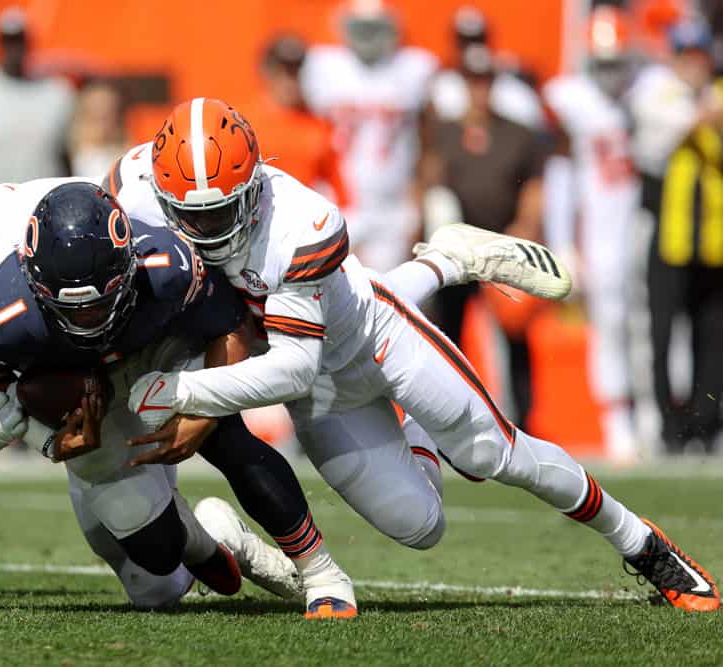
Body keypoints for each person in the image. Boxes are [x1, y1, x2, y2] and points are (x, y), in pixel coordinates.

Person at [121, 97, 717, 612]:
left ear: (255, 182)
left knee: (498, 453)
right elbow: (105, 207)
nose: (209, 229)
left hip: (378, 343)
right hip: (322, 392)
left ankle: (643, 543)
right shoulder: (141, 184)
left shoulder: (300, 223)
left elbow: (290, 368)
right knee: (420, 527)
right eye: (194, 215)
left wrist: (182, 391)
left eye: (224, 210)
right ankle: (441, 263)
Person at [0, 185, 300, 609]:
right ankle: (210, 537)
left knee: (156, 539)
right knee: (158, 588)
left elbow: (110, 227)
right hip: (65, 415)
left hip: (118, 366)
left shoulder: (13, 216)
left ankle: (200, 536)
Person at [0, 181, 356, 618]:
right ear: (35, 283)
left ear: (129, 266)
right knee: (157, 568)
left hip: (159, 355)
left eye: (100, 301)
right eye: (71, 309)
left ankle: (320, 573)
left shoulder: (167, 264)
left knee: (226, 437)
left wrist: (208, 410)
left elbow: (233, 326)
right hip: (85, 393)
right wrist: (46, 440)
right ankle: (211, 541)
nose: (89, 319)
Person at [422, 44, 547, 428]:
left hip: (501, 246)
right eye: (473, 81)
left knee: (514, 331)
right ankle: (452, 417)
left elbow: (534, 189)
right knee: (448, 335)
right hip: (458, 250)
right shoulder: (444, 131)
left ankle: (522, 419)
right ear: (463, 84)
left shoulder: (518, 133)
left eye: (485, 81)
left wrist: (523, 232)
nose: (480, 89)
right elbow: (428, 180)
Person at [543, 6, 641, 462]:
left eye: (617, 63)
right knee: (612, 325)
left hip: (642, 227)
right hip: (600, 234)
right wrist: (564, 242)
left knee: (653, 328)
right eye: (602, 64)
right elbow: (562, 180)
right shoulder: (572, 100)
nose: (610, 75)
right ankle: (617, 418)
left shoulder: (646, 93)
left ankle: (658, 415)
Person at [630, 18, 723, 453]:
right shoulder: (657, 90)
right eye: (685, 56)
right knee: (663, 332)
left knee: (712, 332)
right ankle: (668, 424)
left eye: (698, 56)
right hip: (667, 231)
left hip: (714, 235)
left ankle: (705, 426)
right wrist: (701, 109)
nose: (692, 66)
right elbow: (663, 133)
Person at [300, 0, 438, 271]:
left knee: (387, 295)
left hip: (392, 204)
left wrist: (420, 195)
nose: (367, 36)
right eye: (361, 27)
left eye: (374, 27)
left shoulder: (413, 68)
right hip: (338, 200)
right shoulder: (324, 66)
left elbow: (428, 139)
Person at [0, 6, 75, 209]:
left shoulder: (56, 94)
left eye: (18, 40)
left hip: (37, 213)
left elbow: (67, 155)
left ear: (29, 43)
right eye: (7, 41)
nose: (13, 48)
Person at [240, 34, 348, 207]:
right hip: (253, 221)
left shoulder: (321, 126)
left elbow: (340, 191)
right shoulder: (242, 124)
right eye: (281, 70)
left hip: (303, 223)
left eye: (296, 70)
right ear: (266, 70)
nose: (289, 79)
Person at [430, 5, 544, 129]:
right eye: (464, 42)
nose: (472, 48)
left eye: (478, 40)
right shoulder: (441, 86)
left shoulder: (514, 90)